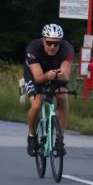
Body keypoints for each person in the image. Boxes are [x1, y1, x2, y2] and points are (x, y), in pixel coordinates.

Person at [23, 24, 74, 157]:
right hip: (35, 75)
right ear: (43, 40)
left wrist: (59, 75)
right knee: (37, 104)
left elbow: (65, 75)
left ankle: (59, 139)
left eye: (56, 44)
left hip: (54, 74)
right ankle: (32, 135)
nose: (52, 46)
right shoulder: (33, 48)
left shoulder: (67, 49)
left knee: (63, 97)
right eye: (49, 43)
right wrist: (47, 76)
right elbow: (39, 78)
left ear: (60, 42)